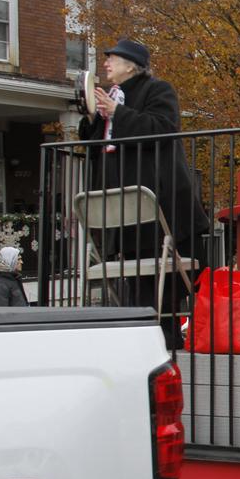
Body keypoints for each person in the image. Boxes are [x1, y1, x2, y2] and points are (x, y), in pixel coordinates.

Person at [78, 39, 209, 345]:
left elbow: (163, 128)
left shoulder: (157, 89)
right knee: (136, 279)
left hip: (159, 203)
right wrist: (93, 117)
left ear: (131, 64)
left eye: (113, 58)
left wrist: (118, 112)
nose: (106, 63)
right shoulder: (112, 96)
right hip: (123, 209)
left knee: (163, 280)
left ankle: (166, 339)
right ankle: (144, 340)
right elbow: (97, 143)